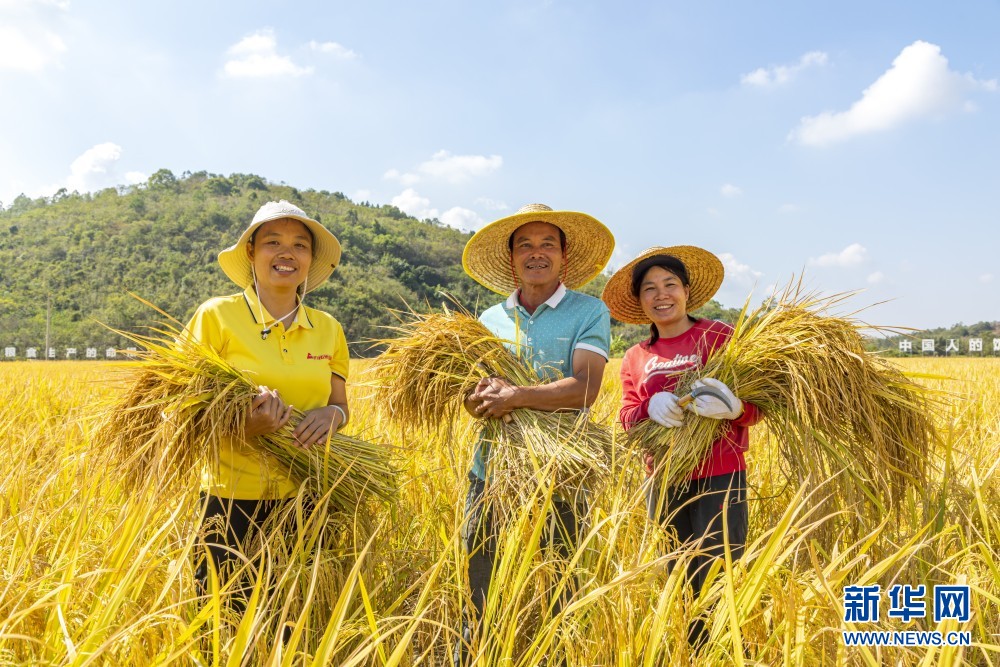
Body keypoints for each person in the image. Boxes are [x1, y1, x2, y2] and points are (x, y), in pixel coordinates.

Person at [455, 203, 615, 664]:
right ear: (511, 259)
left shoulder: (589, 311)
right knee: (479, 575)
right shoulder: (489, 320)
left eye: (547, 244)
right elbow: (470, 394)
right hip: (490, 470)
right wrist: (479, 399)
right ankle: (477, 655)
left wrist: (516, 396)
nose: (536, 253)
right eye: (525, 245)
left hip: (560, 470)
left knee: (560, 580)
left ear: (564, 257)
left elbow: (585, 388)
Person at [187, 200, 350, 612]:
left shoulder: (328, 329)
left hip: (308, 497)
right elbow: (179, 411)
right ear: (251, 253)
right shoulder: (216, 317)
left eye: (299, 245)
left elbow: (341, 406)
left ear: (310, 260)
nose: (286, 253)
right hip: (230, 502)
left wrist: (333, 416)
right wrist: (240, 428)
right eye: (272, 242)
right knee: (224, 626)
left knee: (297, 623)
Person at [601, 245, 761, 648]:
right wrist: (647, 410)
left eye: (670, 284)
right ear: (640, 302)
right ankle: (687, 650)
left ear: (687, 290)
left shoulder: (718, 336)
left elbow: (760, 406)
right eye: (650, 289)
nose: (661, 295)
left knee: (720, 573)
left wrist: (735, 409)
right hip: (665, 479)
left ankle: (724, 652)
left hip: (720, 475)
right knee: (674, 573)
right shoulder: (637, 356)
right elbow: (625, 416)